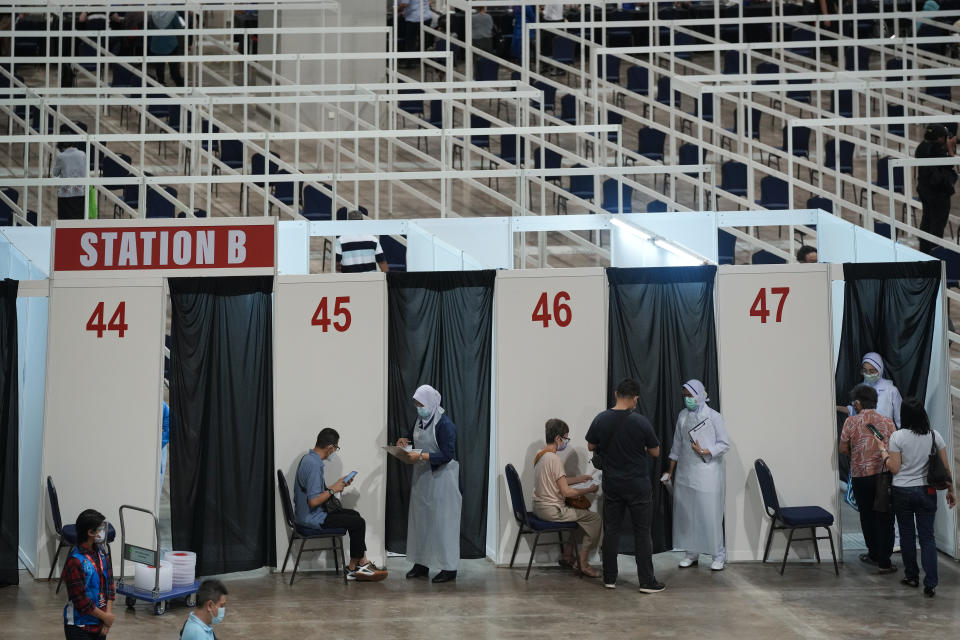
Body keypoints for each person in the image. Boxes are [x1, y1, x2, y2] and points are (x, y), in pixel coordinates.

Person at [585, 378, 664, 593]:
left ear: (615, 393)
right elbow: (655, 451)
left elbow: (591, 444)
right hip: (638, 484)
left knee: (612, 530)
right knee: (642, 532)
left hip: (613, 484)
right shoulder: (640, 422)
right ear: (635, 398)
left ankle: (609, 577)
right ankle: (647, 581)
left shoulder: (601, 419)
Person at [880, 398, 956, 596]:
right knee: (927, 537)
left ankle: (912, 576)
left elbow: (894, 468)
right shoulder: (934, 436)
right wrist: (950, 490)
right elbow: (945, 468)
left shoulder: (897, 437)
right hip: (927, 491)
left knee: (906, 535)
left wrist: (883, 454)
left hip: (902, 491)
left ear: (904, 415)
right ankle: (930, 583)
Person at [293, 428, 386, 581]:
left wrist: (336, 485)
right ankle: (357, 566)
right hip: (312, 518)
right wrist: (332, 491)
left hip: (310, 514)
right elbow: (314, 501)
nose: (335, 451)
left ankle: (358, 565)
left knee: (354, 515)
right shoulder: (315, 466)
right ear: (330, 447)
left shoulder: (309, 459)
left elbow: (315, 493)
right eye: (336, 448)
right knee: (358, 522)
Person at [397, 384, 462, 583]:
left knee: (444, 524)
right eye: (416, 404)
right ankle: (421, 563)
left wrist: (422, 456)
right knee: (421, 523)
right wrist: (403, 441)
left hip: (442, 479)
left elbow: (447, 454)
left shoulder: (445, 424)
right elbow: (412, 437)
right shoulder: (419, 420)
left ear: (431, 403)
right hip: (422, 478)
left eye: (421, 404)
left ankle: (449, 568)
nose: (418, 407)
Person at [662, 380, 729, 571]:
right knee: (687, 515)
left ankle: (718, 554)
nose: (687, 399)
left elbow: (724, 444)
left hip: (707, 473)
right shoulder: (682, 416)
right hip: (685, 473)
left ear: (699, 394)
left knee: (709, 514)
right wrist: (670, 471)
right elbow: (676, 446)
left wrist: (706, 450)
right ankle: (691, 553)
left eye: (690, 395)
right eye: (685, 396)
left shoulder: (714, 417)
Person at [531, 418, 602, 578]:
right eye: (566, 438)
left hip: (539, 507)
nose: (566, 442)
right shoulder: (554, 459)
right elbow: (566, 492)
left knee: (579, 517)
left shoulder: (540, 455)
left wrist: (580, 479)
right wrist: (589, 489)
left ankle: (567, 555)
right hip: (552, 510)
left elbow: (555, 480)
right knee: (594, 519)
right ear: (558, 438)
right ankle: (582, 563)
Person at [839, 384, 898, 573]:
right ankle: (885, 559)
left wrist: (857, 455)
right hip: (883, 476)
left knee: (866, 515)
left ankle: (873, 553)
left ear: (857, 403)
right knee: (885, 516)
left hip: (860, 476)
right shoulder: (888, 422)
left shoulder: (851, 422)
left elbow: (842, 448)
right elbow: (894, 447)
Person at [62, 509, 115, 640]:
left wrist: (107, 618)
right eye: (100, 529)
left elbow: (110, 586)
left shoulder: (102, 553)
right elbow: (81, 601)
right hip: (79, 627)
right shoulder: (75, 561)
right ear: (90, 532)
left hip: (101, 624)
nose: (103, 532)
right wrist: (105, 617)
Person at [915, 124, 957, 254]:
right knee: (937, 226)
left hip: (925, 191)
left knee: (927, 221)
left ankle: (924, 253)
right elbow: (949, 164)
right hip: (938, 193)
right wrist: (950, 149)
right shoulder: (935, 149)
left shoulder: (922, 146)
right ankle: (934, 255)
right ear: (939, 138)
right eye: (945, 137)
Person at [838, 352, 902, 429]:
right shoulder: (859, 389)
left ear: (880, 369)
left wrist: (901, 437)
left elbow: (900, 418)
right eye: (865, 371)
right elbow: (854, 410)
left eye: (871, 371)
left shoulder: (891, 390)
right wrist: (836, 408)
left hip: (885, 435)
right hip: (864, 435)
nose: (868, 374)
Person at [52, 131, 87, 220]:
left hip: (65, 194)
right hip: (80, 193)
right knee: (78, 221)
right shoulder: (82, 154)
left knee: (65, 221)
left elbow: (55, 173)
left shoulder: (61, 156)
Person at [148, 10, 184, 85]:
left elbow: (150, 28)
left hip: (156, 44)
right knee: (174, 67)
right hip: (171, 44)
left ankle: (161, 84)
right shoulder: (173, 13)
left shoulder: (153, 14)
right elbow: (178, 28)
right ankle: (180, 84)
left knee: (159, 67)